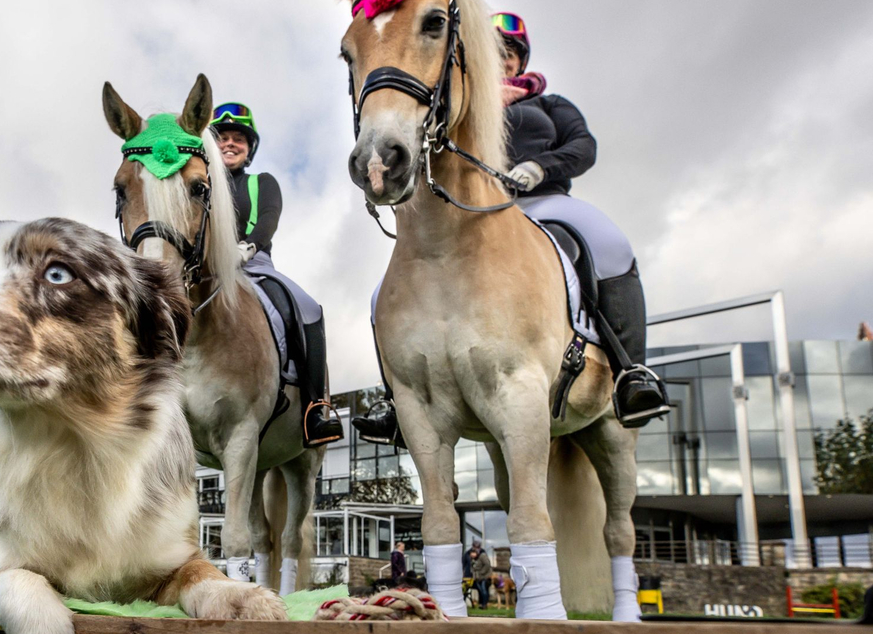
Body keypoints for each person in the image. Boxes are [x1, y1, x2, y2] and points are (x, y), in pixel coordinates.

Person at [353, 12, 670, 442]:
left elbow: (583, 146)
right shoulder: (455, 107)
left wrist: (540, 167)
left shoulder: (549, 105)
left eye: (510, 52)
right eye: (494, 50)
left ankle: (630, 372)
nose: (502, 59)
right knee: (382, 294)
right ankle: (398, 399)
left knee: (609, 243)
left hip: (546, 202)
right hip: (475, 214)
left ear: (521, 60)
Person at [209, 102, 343, 447]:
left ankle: (315, 407)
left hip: (253, 265)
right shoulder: (201, 186)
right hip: (206, 270)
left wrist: (247, 247)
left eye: (239, 138)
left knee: (309, 309)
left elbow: (268, 219)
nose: (230, 143)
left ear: (249, 148)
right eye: (222, 137)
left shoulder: (261, 182)